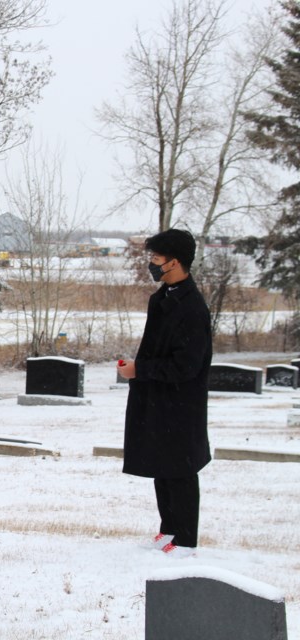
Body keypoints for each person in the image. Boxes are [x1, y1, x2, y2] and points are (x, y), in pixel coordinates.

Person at [116, 229, 212, 557]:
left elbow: (186, 366)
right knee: (163, 466)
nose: (152, 264)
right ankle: (168, 528)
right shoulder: (163, 299)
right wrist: (139, 369)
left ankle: (185, 540)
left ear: (174, 262)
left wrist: (140, 370)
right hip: (158, 399)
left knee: (181, 470)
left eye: (156, 259)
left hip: (181, 403)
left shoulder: (192, 308)